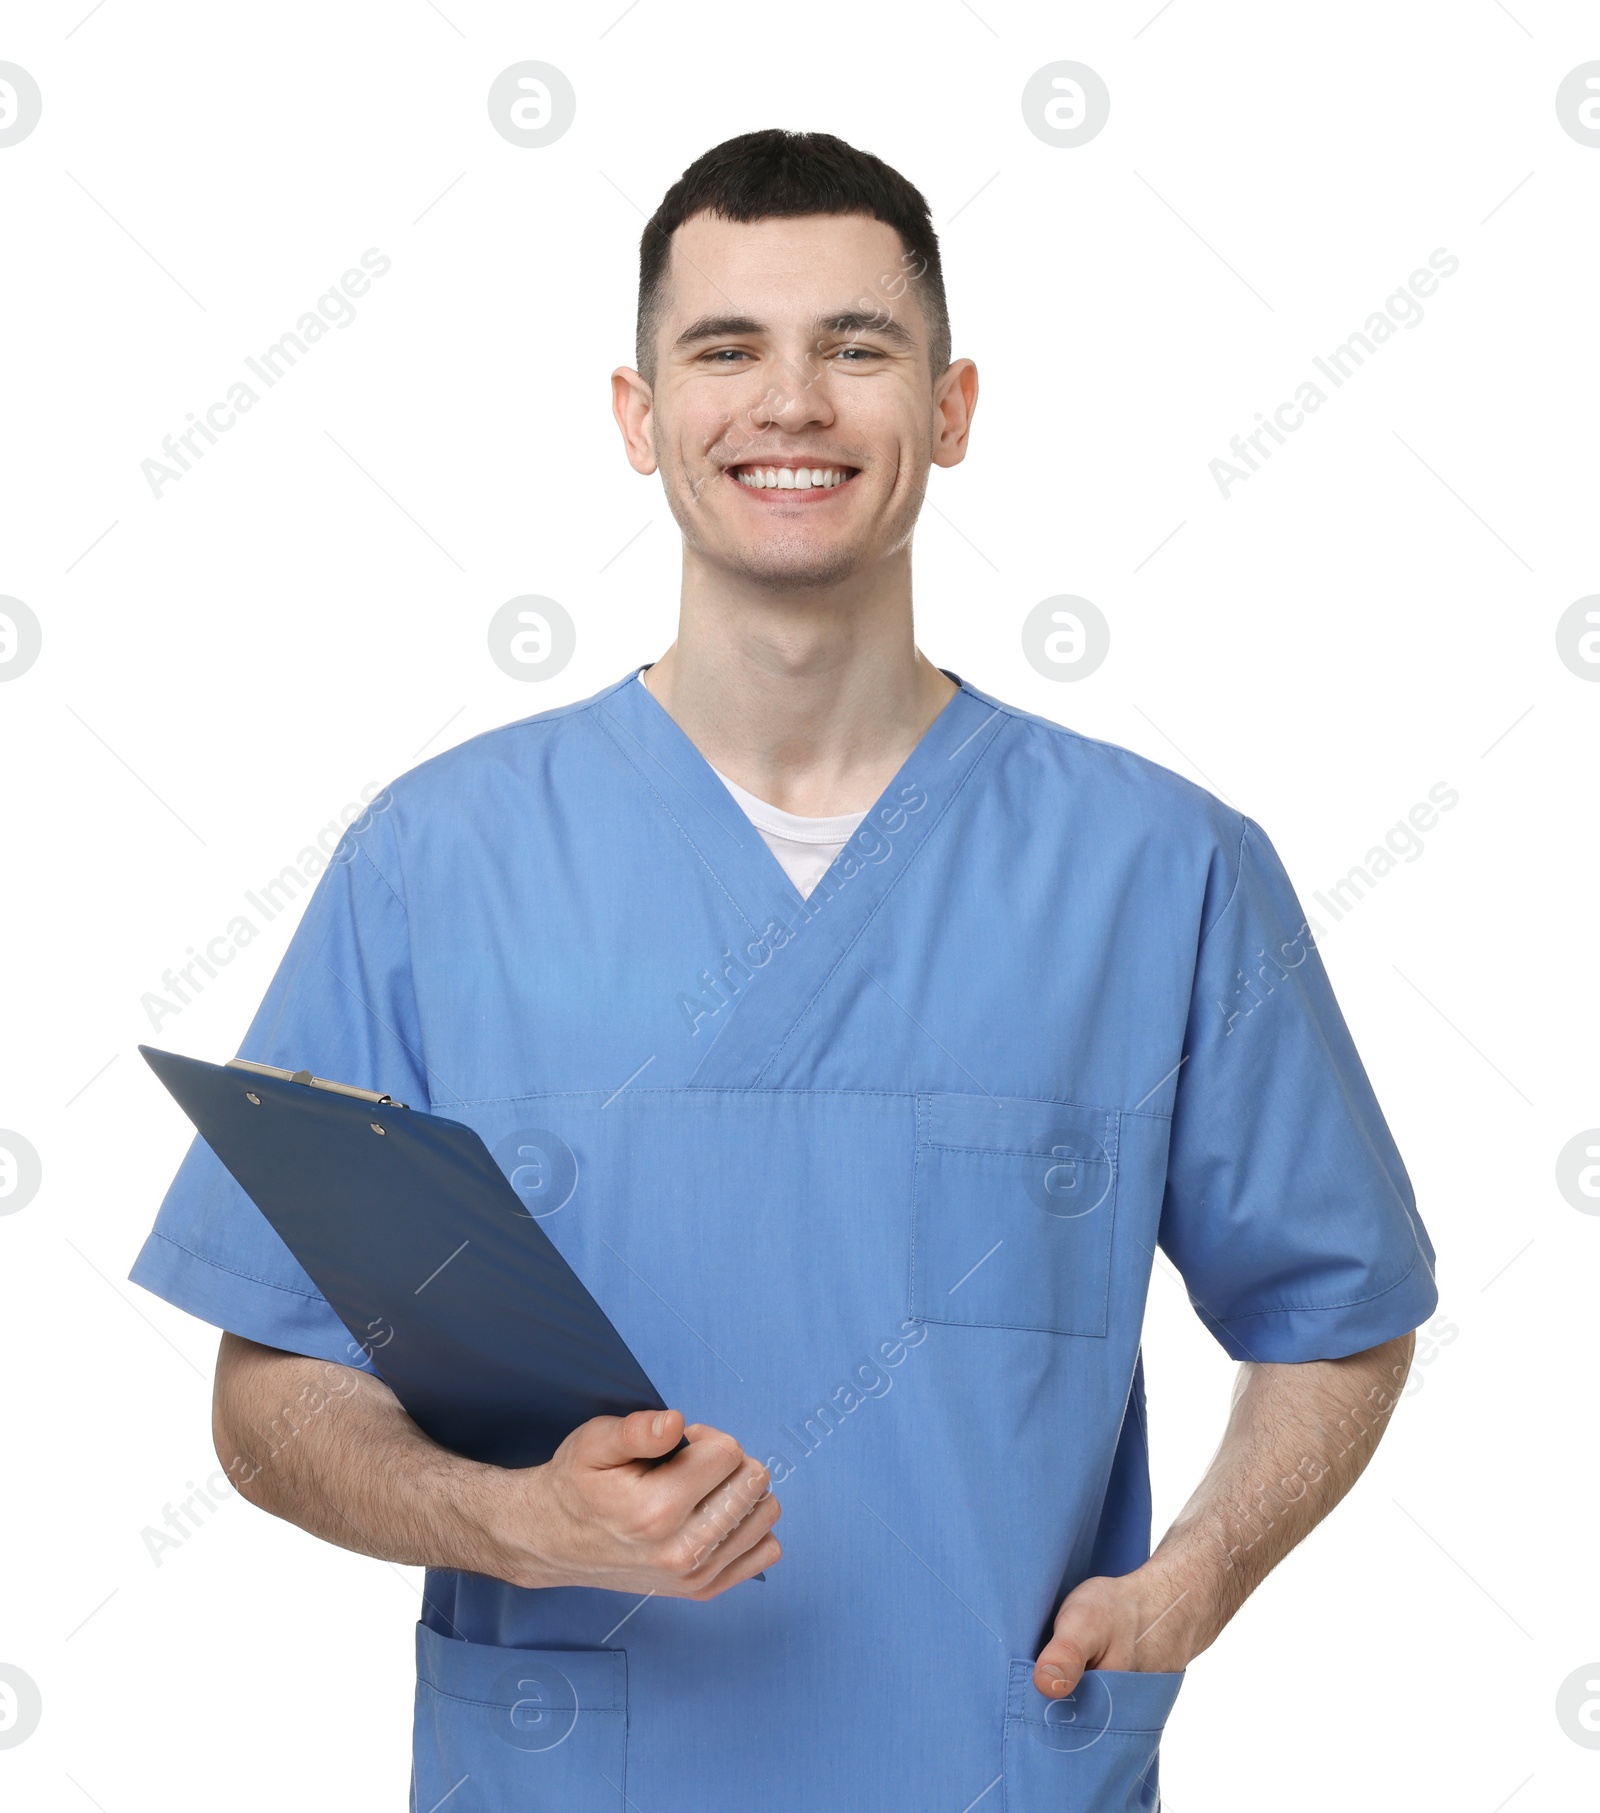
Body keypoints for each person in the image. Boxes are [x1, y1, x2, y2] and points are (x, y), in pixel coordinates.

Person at [131, 129, 1438, 1812]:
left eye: (858, 348)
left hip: (987, 1762)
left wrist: (1196, 1577)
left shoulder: (1162, 869)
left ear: (953, 410)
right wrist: (517, 1520)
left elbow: (1339, 1315)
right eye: (728, 349)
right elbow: (274, 1391)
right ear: (637, 414)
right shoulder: (436, 863)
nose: (792, 405)